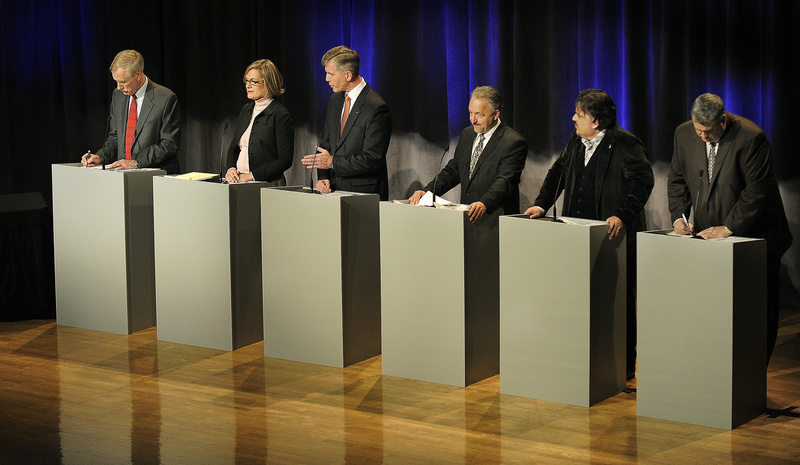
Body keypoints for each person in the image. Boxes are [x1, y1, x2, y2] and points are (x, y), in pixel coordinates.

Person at [524, 89, 654, 379]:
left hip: (611, 239)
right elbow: (558, 172)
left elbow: (643, 182)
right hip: (577, 238)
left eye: (579, 115)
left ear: (595, 121)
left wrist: (622, 213)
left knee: (616, 303)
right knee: (578, 300)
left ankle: (622, 366)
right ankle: (580, 360)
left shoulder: (625, 144)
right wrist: (541, 205)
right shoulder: (576, 140)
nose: (573, 118)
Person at [668, 93, 793, 361]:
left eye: (708, 131)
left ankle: (754, 370)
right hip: (708, 239)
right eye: (698, 130)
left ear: (723, 120)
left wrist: (727, 228)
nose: (702, 136)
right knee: (714, 307)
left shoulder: (751, 137)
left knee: (754, 311)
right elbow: (677, 179)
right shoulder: (684, 134)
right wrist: (679, 218)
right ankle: (716, 365)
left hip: (755, 237)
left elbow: (757, 192)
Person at [409, 86, 527, 223]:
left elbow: (505, 181)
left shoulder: (513, 142)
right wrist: (428, 192)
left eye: (479, 114)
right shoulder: (467, 134)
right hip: (468, 216)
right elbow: (454, 171)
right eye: (471, 113)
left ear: (496, 114)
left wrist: (484, 203)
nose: (473, 119)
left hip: (495, 218)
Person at [300, 46, 392, 200]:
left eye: (330, 74)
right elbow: (326, 144)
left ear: (348, 75)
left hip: (363, 194)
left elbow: (372, 159)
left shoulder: (375, 107)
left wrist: (332, 162)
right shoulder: (335, 100)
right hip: (333, 191)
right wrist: (324, 178)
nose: (326, 79)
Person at [81, 50, 180, 174]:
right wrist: (101, 156)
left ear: (138, 74)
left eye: (123, 82)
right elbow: (115, 136)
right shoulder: (118, 96)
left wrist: (136, 162)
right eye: (116, 81)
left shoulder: (165, 98)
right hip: (124, 176)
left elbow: (169, 144)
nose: (118, 87)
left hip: (156, 176)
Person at [224, 59, 294, 185]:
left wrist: (251, 176)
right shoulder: (246, 110)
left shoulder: (280, 115)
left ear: (268, 83)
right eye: (246, 81)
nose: (248, 86)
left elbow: (285, 159)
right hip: (239, 182)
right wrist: (231, 169)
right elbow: (233, 148)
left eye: (253, 82)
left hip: (268, 185)